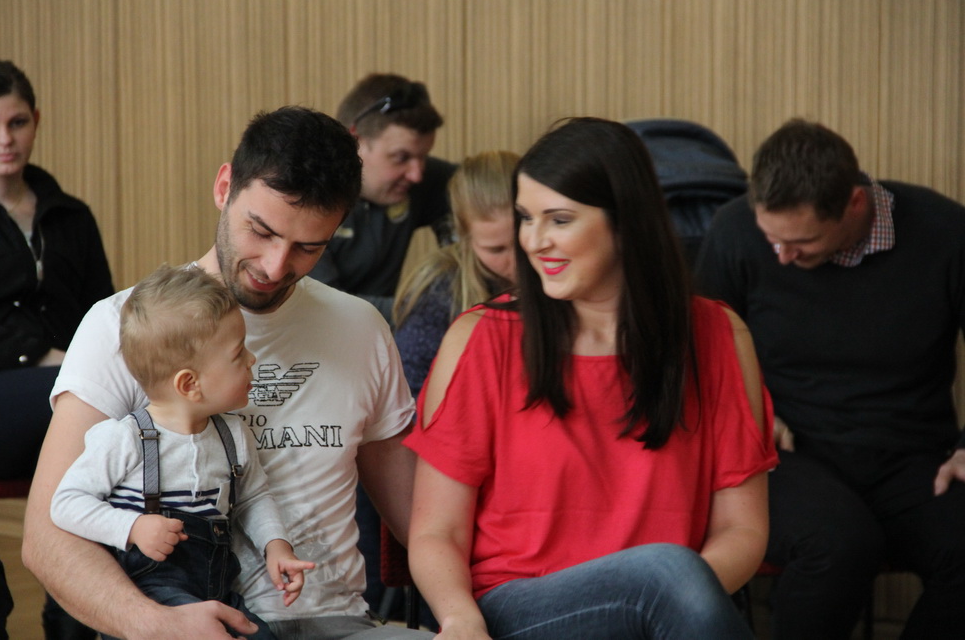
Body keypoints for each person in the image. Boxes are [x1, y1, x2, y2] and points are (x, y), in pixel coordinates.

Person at [22, 106, 434, 640]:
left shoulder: (360, 328)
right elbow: (47, 537)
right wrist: (157, 624)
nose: (275, 266)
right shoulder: (124, 325)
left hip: (338, 623)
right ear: (224, 188)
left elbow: (423, 523)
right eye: (260, 231)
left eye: (308, 247)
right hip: (178, 621)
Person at [405, 117, 777, 639]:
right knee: (665, 574)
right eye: (526, 218)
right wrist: (458, 617)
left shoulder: (718, 336)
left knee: (667, 575)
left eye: (559, 220)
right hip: (517, 612)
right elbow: (435, 531)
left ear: (626, 222)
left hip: (667, 611)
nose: (534, 241)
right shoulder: (480, 339)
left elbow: (743, 530)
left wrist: (672, 603)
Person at [694, 118, 965, 640]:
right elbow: (702, 356)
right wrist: (753, 414)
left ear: (855, 205)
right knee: (838, 546)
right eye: (771, 238)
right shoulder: (735, 230)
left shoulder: (946, 232)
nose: (782, 257)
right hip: (787, 454)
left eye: (801, 241)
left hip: (911, 455)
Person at [50, 264, 316, 639]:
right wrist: (132, 527)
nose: (252, 359)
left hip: (217, 591)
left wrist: (277, 547)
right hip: (152, 597)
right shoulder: (124, 439)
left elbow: (254, 498)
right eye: (238, 353)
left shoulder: (233, 435)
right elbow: (66, 503)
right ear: (189, 384)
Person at [0, 57, 114, 640]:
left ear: (37, 121)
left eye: (18, 122)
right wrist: (39, 356)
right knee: (96, 410)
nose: (5, 139)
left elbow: (103, 317)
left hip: (59, 400)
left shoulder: (70, 215)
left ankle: (78, 617)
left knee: (124, 424)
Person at [309, 73, 457, 325]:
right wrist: (435, 307)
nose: (417, 174)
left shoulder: (418, 181)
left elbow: (485, 188)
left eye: (423, 157)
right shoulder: (308, 198)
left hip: (384, 337)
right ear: (355, 143)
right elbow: (327, 308)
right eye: (401, 158)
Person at [394, 150, 519, 397]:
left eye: (522, 241)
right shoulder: (439, 290)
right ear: (464, 238)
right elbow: (408, 397)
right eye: (496, 250)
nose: (517, 263)